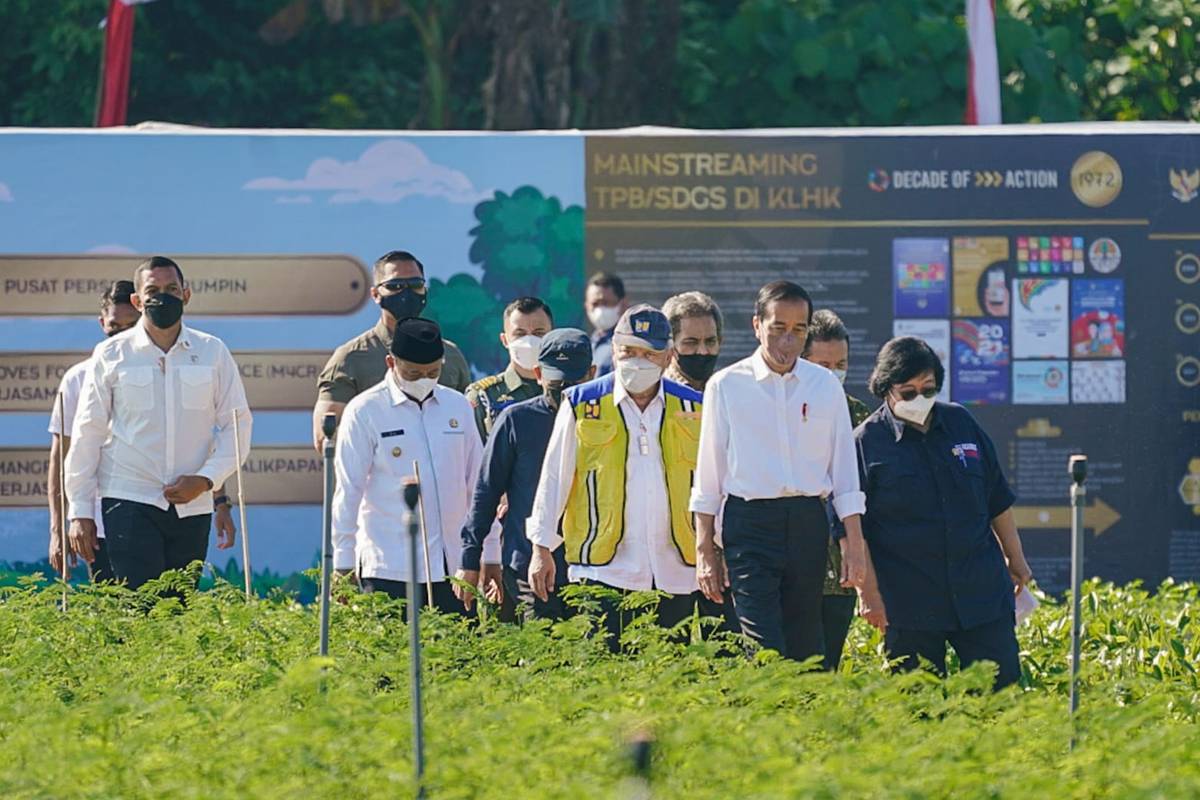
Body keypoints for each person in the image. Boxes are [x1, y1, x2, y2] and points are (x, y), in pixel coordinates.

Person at [691, 281, 868, 663]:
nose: (789, 340)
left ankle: (802, 704)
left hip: (807, 521)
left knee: (806, 644)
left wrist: (854, 542)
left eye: (799, 330)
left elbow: (845, 474)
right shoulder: (726, 385)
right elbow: (708, 477)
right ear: (757, 325)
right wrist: (705, 549)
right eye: (778, 328)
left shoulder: (824, 386)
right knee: (762, 645)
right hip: (748, 523)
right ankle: (766, 701)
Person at [856, 336, 1033, 689]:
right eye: (908, 393)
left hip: (980, 591)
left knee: (1001, 698)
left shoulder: (961, 422)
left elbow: (996, 497)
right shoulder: (866, 442)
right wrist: (869, 594)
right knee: (918, 706)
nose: (919, 400)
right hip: (910, 602)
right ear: (886, 388)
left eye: (928, 390)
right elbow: (854, 529)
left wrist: (1016, 559)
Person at [65, 257, 251, 590]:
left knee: (178, 609)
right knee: (140, 606)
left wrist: (205, 480)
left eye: (172, 289)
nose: (162, 297)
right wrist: (80, 510)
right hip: (128, 499)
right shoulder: (111, 354)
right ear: (137, 301)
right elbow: (87, 433)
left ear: (186, 295)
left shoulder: (213, 352)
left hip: (192, 505)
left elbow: (237, 427)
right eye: (152, 291)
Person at [527, 305, 702, 649]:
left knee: (671, 671)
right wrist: (541, 547)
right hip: (603, 568)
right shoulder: (582, 402)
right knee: (605, 668)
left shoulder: (693, 407)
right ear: (614, 350)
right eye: (628, 352)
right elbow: (554, 477)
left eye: (649, 354)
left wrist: (716, 550)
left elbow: (712, 484)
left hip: (675, 569)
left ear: (668, 356)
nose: (638, 362)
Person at [332, 318, 495, 611]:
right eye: (413, 373)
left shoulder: (457, 406)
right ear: (391, 362)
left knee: (458, 641)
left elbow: (479, 486)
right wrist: (343, 561)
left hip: (453, 567)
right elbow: (348, 490)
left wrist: (491, 553)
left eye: (433, 372)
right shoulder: (365, 411)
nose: (423, 380)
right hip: (389, 568)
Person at [458, 329, 594, 619]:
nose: (565, 391)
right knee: (539, 644)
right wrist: (470, 558)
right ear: (539, 375)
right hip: (529, 568)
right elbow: (486, 492)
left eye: (574, 383)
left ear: (592, 374)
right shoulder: (517, 420)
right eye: (557, 383)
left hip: (592, 569)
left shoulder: (606, 421)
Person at [312, 250, 471, 450]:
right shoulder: (351, 358)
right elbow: (325, 439)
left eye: (416, 285)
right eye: (395, 286)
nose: (407, 293)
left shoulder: (450, 354)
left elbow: (469, 426)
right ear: (376, 294)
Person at [801, 309, 873, 670]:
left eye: (840, 365)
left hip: (841, 572)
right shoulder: (782, 411)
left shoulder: (858, 416)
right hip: (793, 567)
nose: (834, 373)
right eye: (824, 365)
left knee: (827, 670)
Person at [464, 297, 553, 442]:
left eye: (538, 333)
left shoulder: (567, 390)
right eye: (520, 334)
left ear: (552, 337)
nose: (529, 342)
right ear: (505, 340)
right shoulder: (483, 396)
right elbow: (472, 451)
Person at [661, 291, 723, 391]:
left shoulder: (726, 389)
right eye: (691, 343)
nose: (703, 352)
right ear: (670, 345)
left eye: (710, 342)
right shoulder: (655, 392)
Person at [583, 272, 628, 377]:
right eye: (595, 304)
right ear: (587, 306)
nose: (600, 309)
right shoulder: (587, 345)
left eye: (606, 303)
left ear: (623, 303)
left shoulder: (629, 346)